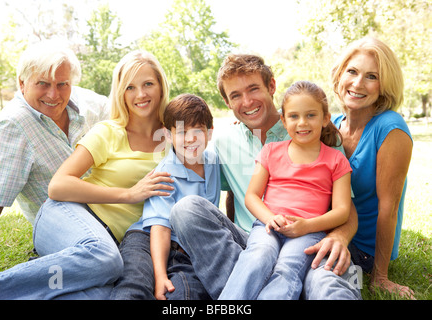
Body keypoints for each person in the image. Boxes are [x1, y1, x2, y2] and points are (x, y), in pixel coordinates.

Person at [0, 50, 173, 299]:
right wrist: (129, 194)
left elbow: (204, 146)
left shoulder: (174, 137)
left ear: (161, 86)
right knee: (106, 259)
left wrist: (240, 119)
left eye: (148, 84)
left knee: (101, 293)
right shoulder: (108, 131)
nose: (140, 94)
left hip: (114, 243)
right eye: (130, 87)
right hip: (69, 215)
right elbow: (57, 186)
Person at [170, 54, 362, 300]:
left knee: (327, 285)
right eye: (236, 95)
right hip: (254, 240)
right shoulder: (224, 142)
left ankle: (275, 289)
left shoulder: (313, 132)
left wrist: (339, 237)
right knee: (186, 210)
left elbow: (346, 208)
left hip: (308, 240)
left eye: (253, 89)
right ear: (227, 102)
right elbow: (234, 197)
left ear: (271, 86)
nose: (247, 101)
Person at [0, 39, 109, 272]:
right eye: (43, 83)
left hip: (108, 213)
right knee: (105, 260)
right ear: (22, 83)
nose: (54, 94)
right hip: (60, 223)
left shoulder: (86, 102)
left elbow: (128, 113)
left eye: (62, 84)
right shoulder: (12, 126)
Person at [219, 81, 352, 299]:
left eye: (311, 115)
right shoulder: (271, 151)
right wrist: (270, 219)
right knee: (257, 256)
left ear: (325, 118)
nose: (302, 123)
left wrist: (306, 226)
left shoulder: (335, 159)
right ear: (283, 120)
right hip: (267, 225)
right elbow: (252, 196)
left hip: (308, 231)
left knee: (287, 268)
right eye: (294, 116)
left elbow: (342, 211)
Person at [112, 94, 218, 300]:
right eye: (182, 132)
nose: (190, 139)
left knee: (185, 292)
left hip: (185, 247)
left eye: (198, 131)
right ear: (168, 136)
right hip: (146, 236)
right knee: (135, 283)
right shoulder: (165, 174)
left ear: (210, 133)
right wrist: (160, 275)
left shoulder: (213, 162)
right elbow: (160, 229)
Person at [331, 37, 414, 298]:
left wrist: (381, 277)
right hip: (332, 230)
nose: (357, 83)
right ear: (340, 74)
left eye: (371, 76)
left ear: (384, 86)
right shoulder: (332, 124)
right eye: (352, 71)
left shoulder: (391, 128)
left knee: (316, 273)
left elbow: (388, 209)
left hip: (364, 249)